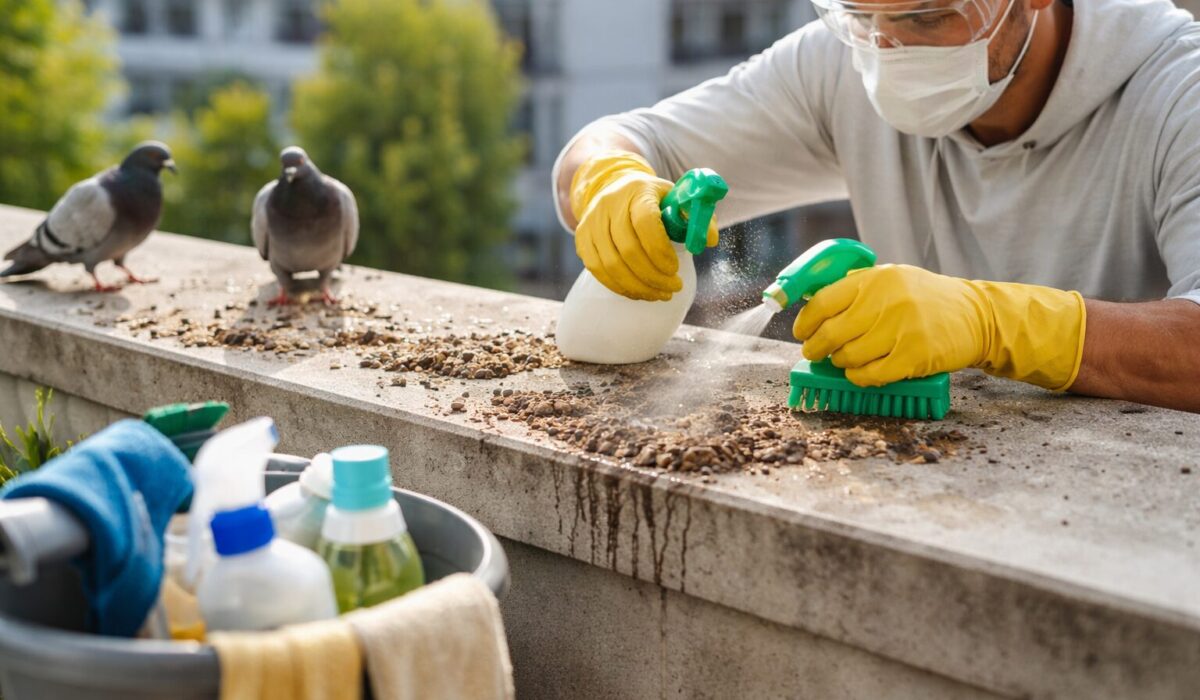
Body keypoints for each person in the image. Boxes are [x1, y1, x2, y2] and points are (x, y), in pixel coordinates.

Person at [553, 0, 1200, 413]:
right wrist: (607, 180)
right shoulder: (840, 63)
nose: (888, 52)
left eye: (927, 17)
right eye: (860, 17)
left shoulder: (1178, 90)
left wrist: (997, 325)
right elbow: (626, 141)